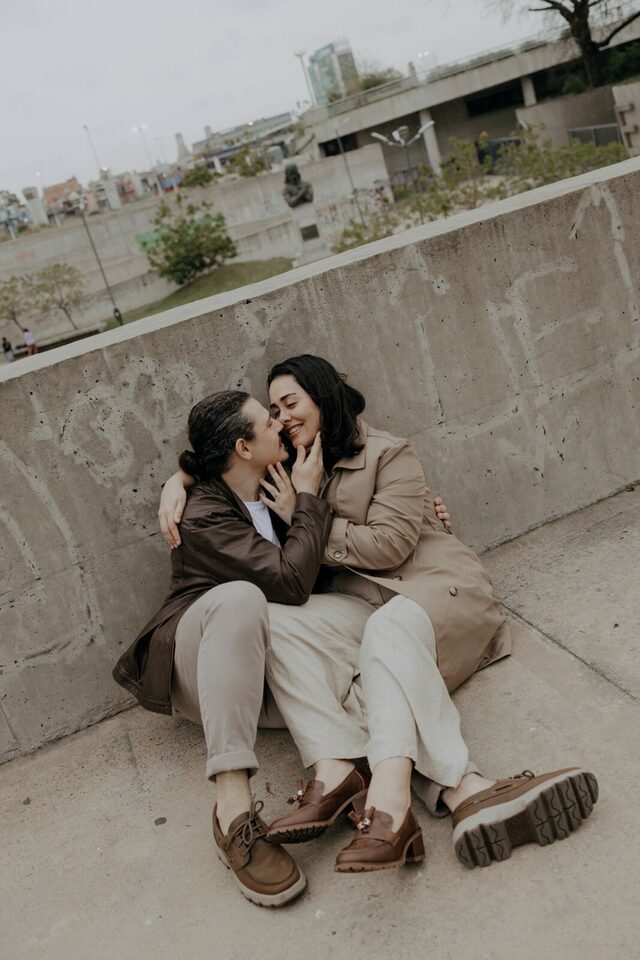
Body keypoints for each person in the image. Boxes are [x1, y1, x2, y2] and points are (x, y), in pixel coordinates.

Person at [160, 356, 598, 874]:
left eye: (291, 403)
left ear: (322, 399)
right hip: (360, 610)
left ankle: (395, 803)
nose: (281, 418)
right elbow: (226, 458)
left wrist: (305, 515)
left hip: (432, 596)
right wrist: (181, 478)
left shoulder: (386, 454)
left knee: (383, 639)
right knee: (271, 623)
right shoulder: (284, 468)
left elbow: (390, 546)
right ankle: (424, 784)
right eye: (273, 410)